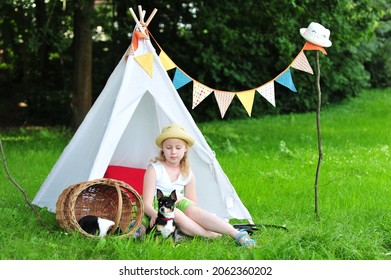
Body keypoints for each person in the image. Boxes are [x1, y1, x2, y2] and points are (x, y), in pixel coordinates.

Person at [142, 123, 256, 247]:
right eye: (169, 147)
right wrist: (155, 214)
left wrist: (181, 198)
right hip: (158, 207)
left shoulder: (187, 173)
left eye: (178, 148)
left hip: (179, 204)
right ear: (162, 149)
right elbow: (146, 203)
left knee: (192, 210)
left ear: (185, 148)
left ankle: (236, 233)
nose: (173, 152)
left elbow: (192, 203)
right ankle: (214, 236)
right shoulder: (154, 169)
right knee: (173, 212)